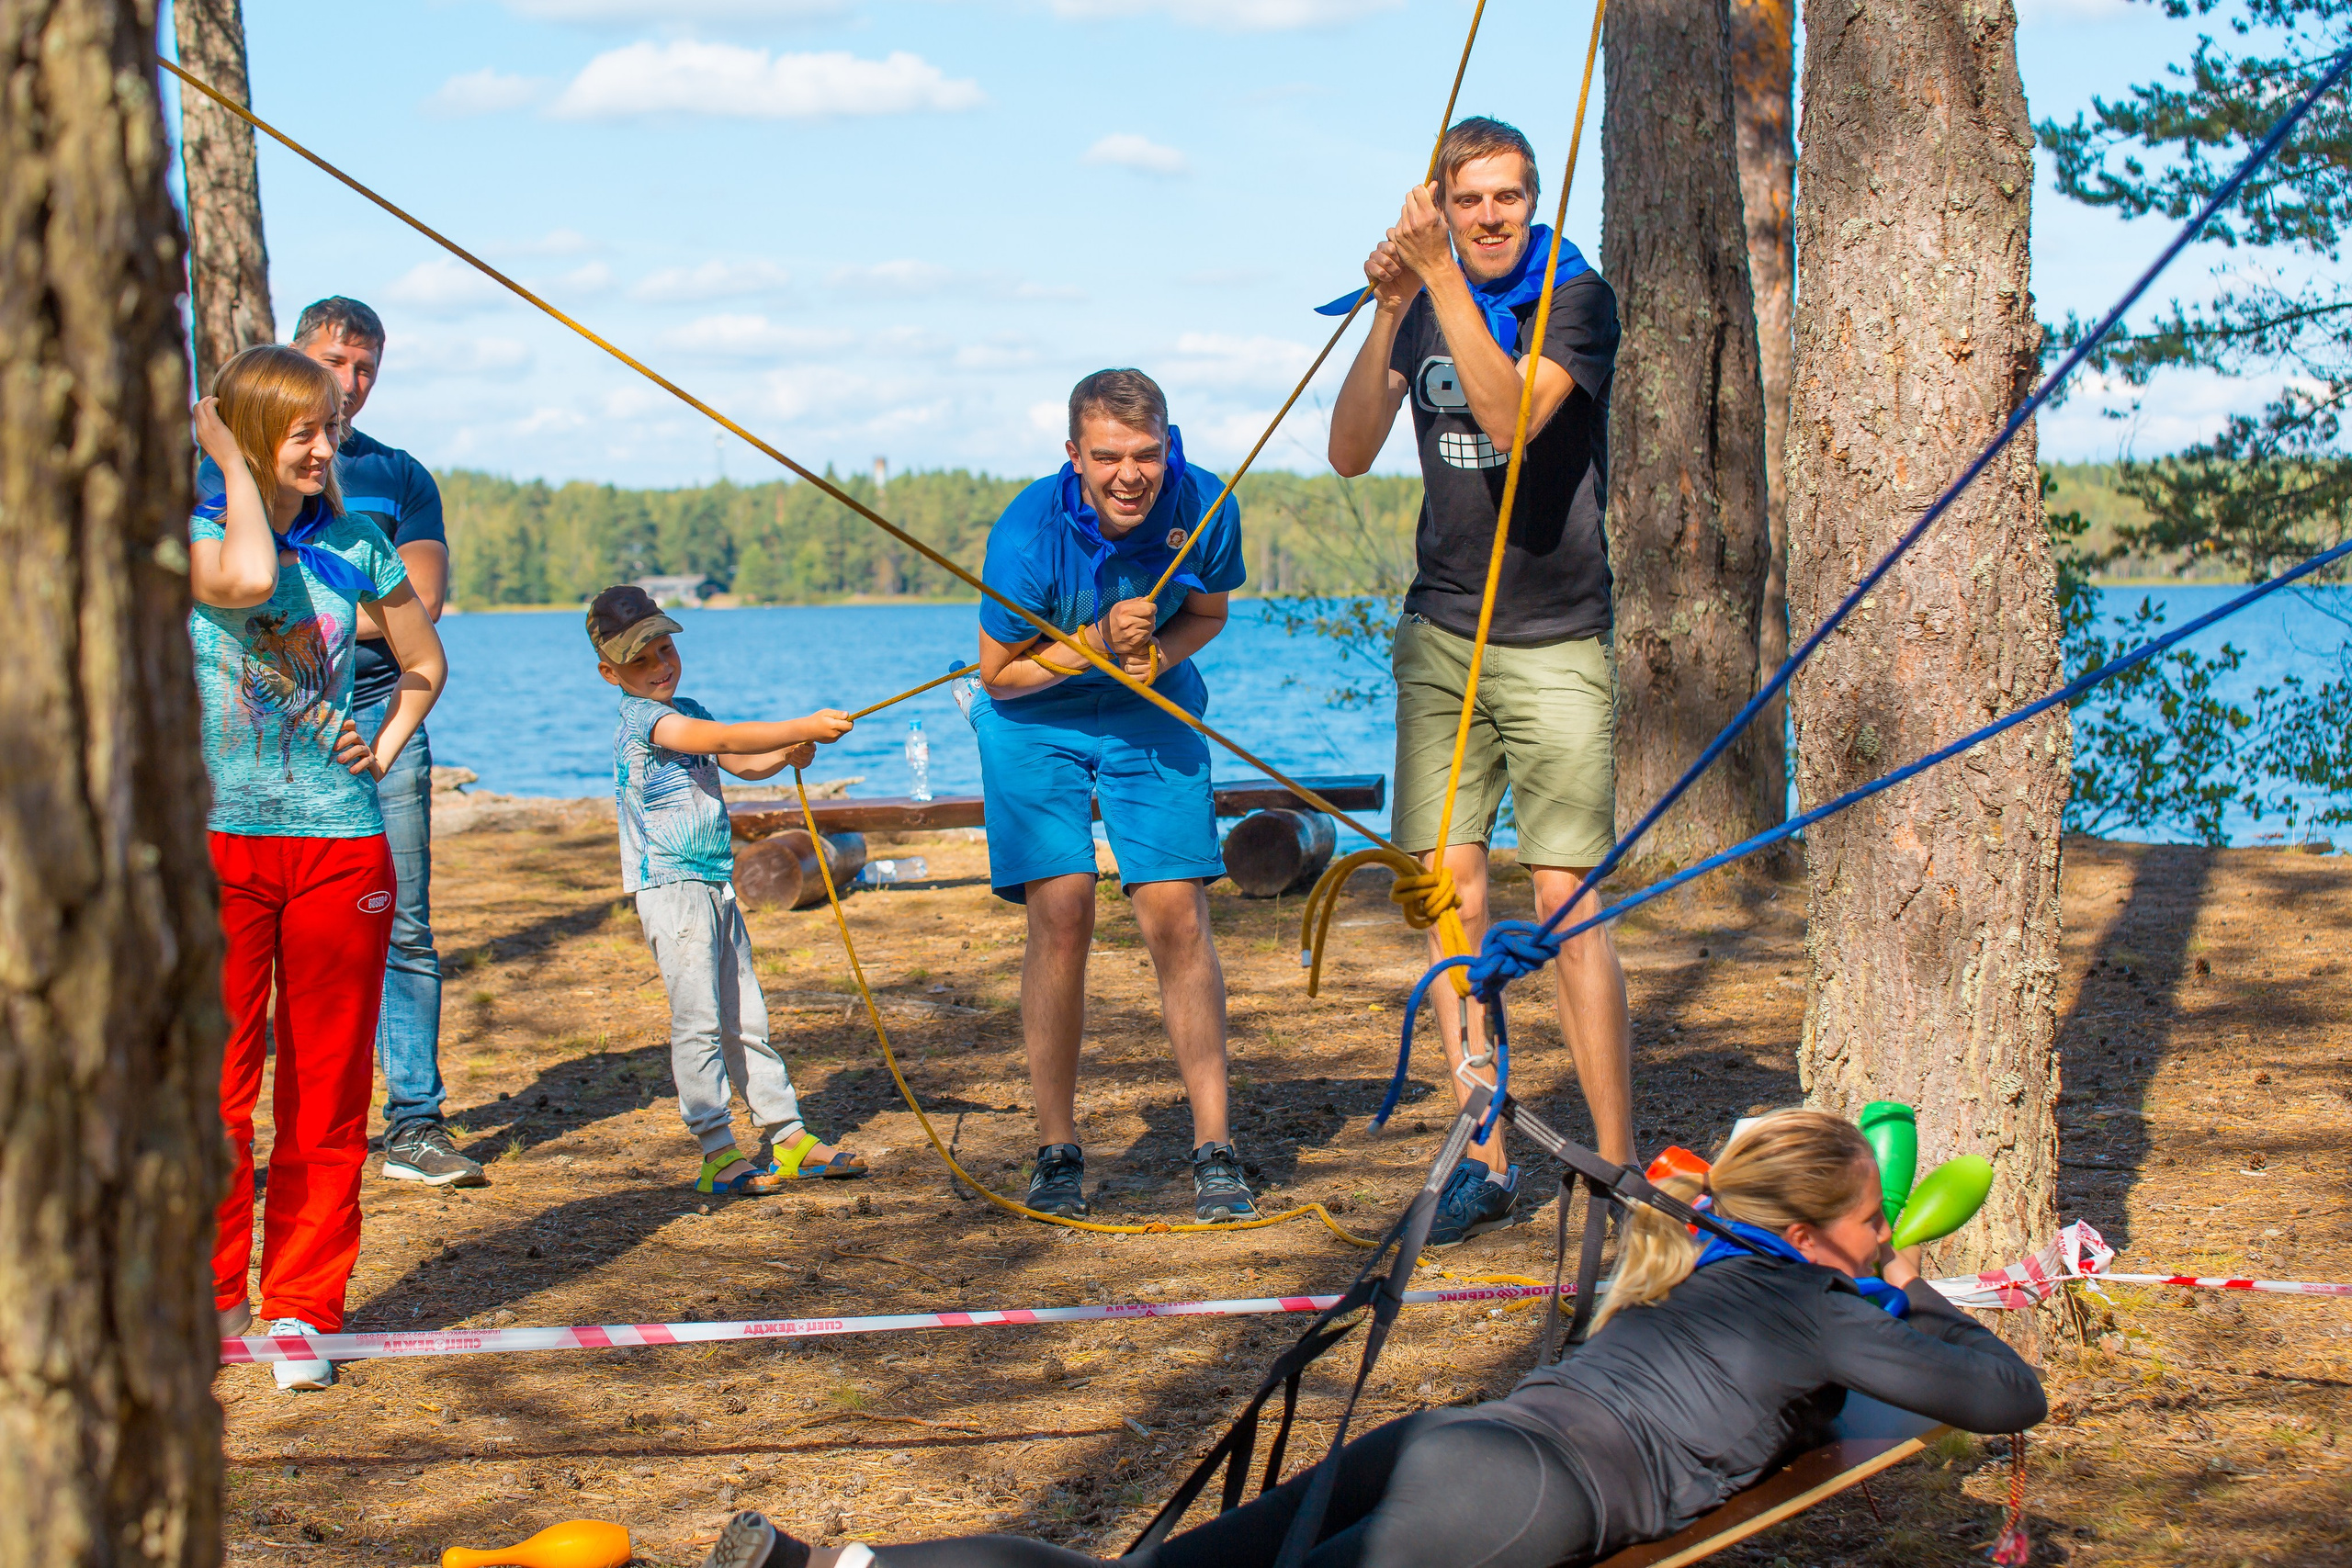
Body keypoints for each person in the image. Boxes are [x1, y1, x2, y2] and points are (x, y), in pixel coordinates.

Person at [697, 1111, 2048, 1568]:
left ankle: (843, 1563)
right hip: (1524, 1494)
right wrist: (1906, 1283)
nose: (1883, 1233)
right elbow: (2007, 1393)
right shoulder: (1818, 1297)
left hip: (1453, 1445)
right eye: (1870, 1217)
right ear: (1817, 1232)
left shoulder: (1686, 1260)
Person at [1326, 116, 1633, 1246]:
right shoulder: (1427, 294)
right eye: (1468, 200)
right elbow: (1350, 448)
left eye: (1508, 197)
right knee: (1447, 892)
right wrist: (1390, 309)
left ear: (1533, 201)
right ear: (1441, 202)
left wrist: (1440, 276)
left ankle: (1613, 1161)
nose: (1490, 216)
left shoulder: (1576, 298)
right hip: (1442, 630)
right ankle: (1484, 1154)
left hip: (1555, 636)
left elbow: (1503, 421)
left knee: (1568, 899)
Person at [191, 345, 449, 1392]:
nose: (326, 447)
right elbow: (253, 579)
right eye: (303, 430)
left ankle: (302, 1308)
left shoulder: (359, 542)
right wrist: (221, 461)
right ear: (253, 433)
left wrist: (381, 746)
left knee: (326, 1090)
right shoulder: (197, 538)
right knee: (212, 1088)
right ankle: (209, 1301)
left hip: (342, 848)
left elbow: (425, 665)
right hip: (216, 846)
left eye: (332, 429)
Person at [969, 369, 1251, 1224]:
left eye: (1146, 453)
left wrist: (1155, 657)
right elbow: (1000, 675)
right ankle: (1057, 1152)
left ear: (1168, 445)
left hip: (1147, 698)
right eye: (1107, 457)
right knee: (1062, 908)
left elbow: (1208, 611)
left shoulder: (1203, 503)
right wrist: (1094, 641)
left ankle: (1215, 1151)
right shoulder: (1026, 532)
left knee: (1174, 909)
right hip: (1033, 714)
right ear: (1074, 456)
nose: (1129, 474)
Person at [589, 585, 870, 1194]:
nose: (661, 665)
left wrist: (789, 753)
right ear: (611, 672)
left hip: (713, 882)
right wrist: (799, 721)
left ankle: (786, 1135)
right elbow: (719, 742)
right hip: (670, 888)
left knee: (745, 1014)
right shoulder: (647, 720)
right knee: (698, 1020)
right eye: (641, 659)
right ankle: (716, 1148)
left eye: (665, 647)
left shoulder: (684, 706)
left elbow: (742, 763)